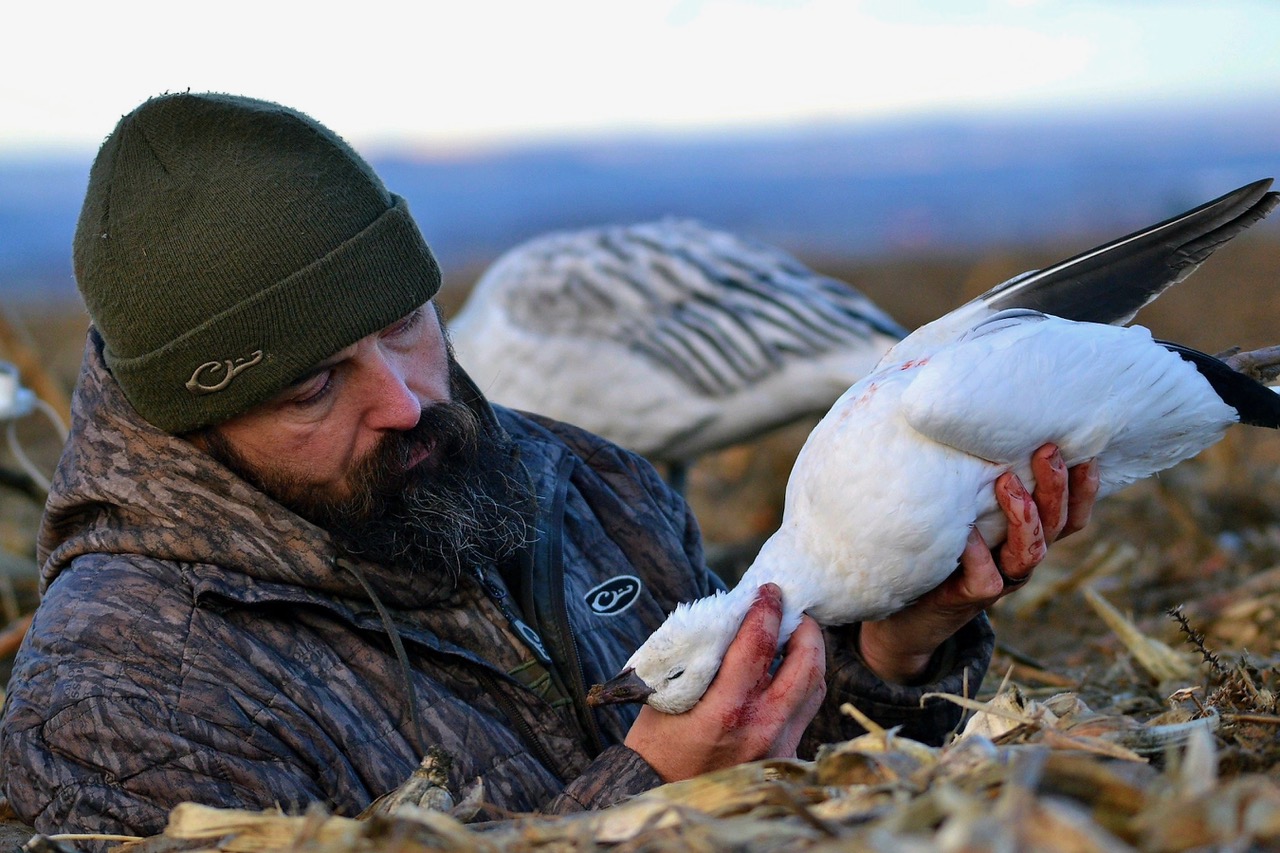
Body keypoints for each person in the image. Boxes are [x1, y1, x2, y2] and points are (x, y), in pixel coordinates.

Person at [0, 93, 1097, 839]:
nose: (407, 398)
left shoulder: (588, 482)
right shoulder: (118, 694)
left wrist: (896, 647)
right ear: (192, 421)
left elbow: (801, 775)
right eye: (310, 386)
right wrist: (655, 799)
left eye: (405, 323)